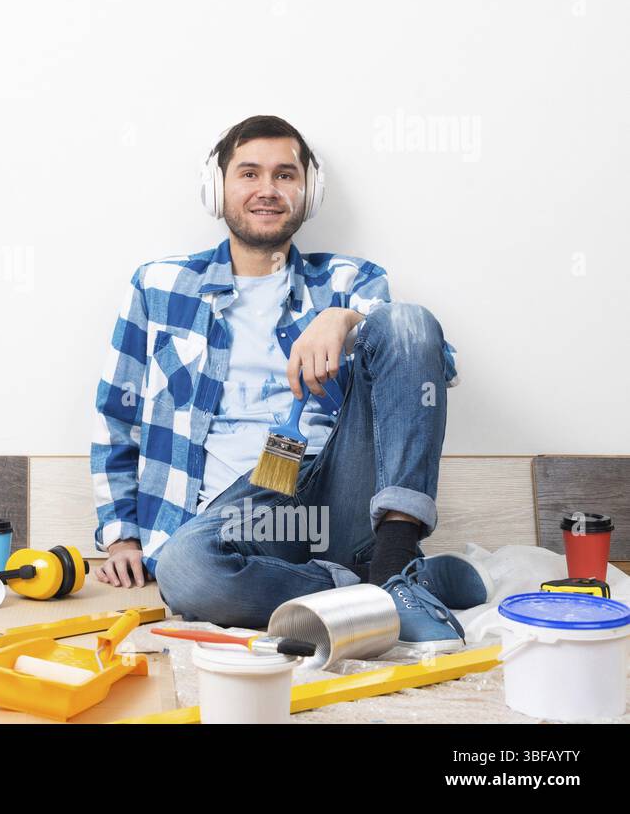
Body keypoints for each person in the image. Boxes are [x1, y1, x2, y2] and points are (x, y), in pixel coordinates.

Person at [89, 115, 490, 648]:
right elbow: (117, 412)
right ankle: (383, 585)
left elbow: (433, 361)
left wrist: (348, 320)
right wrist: (121, 535)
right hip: (237, 516)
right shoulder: (159, 285)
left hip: (335, 492)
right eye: (249, 173)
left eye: (284, 175)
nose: (267, 190)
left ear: (308, 190)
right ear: (217, 188)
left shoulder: (351, 280)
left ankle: (394, 551)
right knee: (185, 575)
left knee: (407, 318)